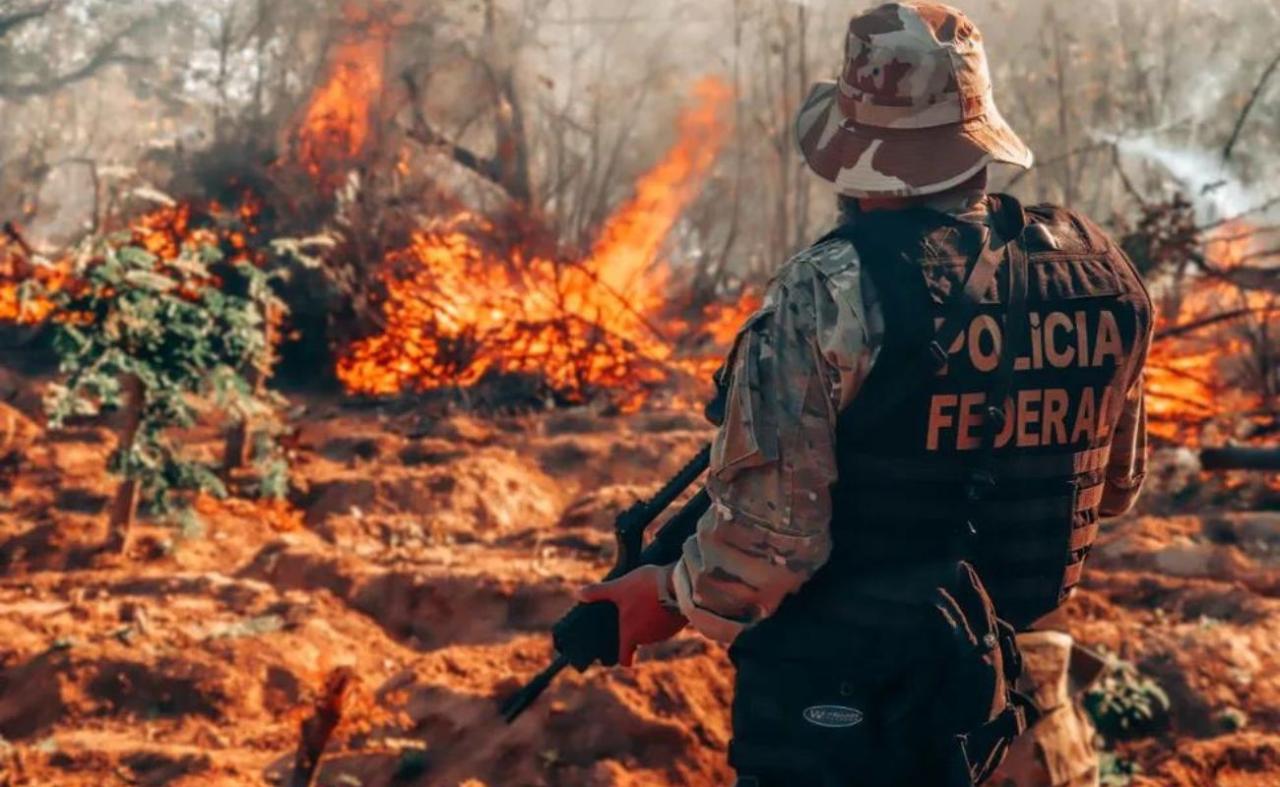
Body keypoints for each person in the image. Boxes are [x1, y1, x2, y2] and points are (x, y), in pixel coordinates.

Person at [578, 3, 1153, 784]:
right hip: (1024, 718)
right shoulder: (1103, 273)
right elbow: (1110, 492)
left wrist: (664, 593)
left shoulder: (830, 291)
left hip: (855, 723)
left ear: (857, 155)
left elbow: (765, 554)